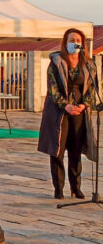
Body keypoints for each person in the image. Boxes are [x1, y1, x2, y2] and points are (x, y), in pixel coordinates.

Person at [38, 28, 98, 199]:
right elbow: (53, 89)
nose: (74, 43)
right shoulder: (56, 62)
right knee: (58, 149)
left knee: (75, 149)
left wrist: (84, 105)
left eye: (77, 40)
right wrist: (66, 106)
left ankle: (76, 187)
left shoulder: (88, 64)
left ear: (82, 43)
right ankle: (58, 188)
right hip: (58, 112)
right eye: (71, 40)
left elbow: (92, 89)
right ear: (65, 43)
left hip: (79, 111)